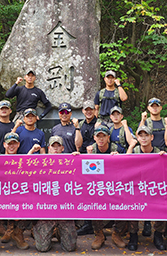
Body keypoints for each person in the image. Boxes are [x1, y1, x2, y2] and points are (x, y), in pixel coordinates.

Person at [32, 136, 78, 252]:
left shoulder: (70, 162)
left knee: (70, 248)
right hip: (46, 211)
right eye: (53, 146)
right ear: (49, 148)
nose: (56, 149)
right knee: (42, 248)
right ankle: (40, 230)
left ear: (63, 148)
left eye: (58, 146)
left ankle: (59, 232)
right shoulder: (40, 163)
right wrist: (31, 152)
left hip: (64, 211)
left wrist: (79, 158)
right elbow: (21, 167)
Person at [87, 125, 126, 250]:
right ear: (94, 138)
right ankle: (99, 235)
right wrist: (84, 156)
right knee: (93, 203)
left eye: (104, 136)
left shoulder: (116, 148)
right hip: (97, 187)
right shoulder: (90, 149)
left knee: (123, 204)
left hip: (114, 186)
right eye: (98, 136)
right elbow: (84, 171)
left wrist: (119, 158)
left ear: (108, 137)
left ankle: (117, 234)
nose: (101, 139)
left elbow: (128, 164)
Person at [125, 125, 161, 250]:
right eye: (141, 136)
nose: (144, 138)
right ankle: (133, 235)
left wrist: (165, 158)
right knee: (132, 207)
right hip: (137, 187)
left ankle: (158, 235)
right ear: (138, 138)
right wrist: (130, 147)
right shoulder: (134, 151)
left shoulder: (158, 152)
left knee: (161, 206)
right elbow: (124, 163)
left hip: (154, 187)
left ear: (152, 137)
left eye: (146, 135)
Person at [75, 100, 97, 236]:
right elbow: (78, 144)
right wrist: (77, 128)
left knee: (95, 190)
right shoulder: (81, 124)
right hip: (83, 160)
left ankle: (95, 223)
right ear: (83, 111)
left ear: (94, 110)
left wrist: (93, 148)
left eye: (90, 109)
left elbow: (103, 140)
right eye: (86, 109)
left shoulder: (99, 123)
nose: (88, 111)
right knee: (84, 190)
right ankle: (87, 223)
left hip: (95, 161)